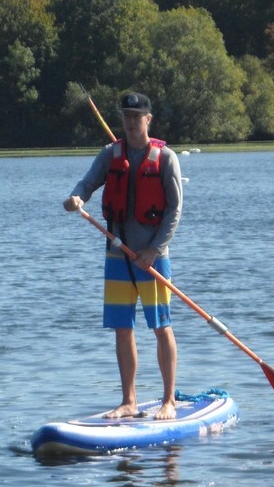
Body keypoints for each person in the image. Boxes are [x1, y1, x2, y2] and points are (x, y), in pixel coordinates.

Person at [63, 92, 184, 420]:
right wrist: (75, 199)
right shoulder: (109, 155)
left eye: (137, 116)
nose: (131, 122)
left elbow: (174, 210)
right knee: (122, 328)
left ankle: (168, 400)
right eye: (127, 116)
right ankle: (129, 401)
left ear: (148, 120)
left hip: (152, 257)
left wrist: (154, 249)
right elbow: (86, 185)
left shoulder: (165, 158)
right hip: (117, 256)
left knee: (161, 326)